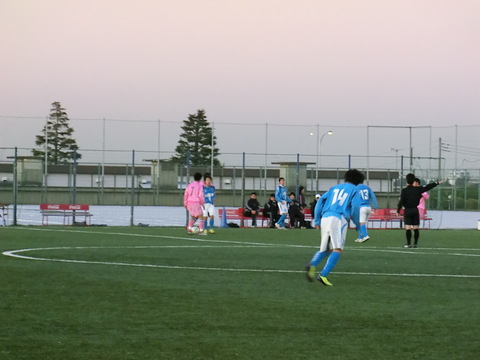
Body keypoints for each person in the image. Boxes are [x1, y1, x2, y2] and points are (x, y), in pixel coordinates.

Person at [305, 169, 363, 286]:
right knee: (338, 249)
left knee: (326, 249)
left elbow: (320, 200)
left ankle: (312, 264)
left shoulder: (334, 188)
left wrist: (317, 219)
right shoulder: (355, 190)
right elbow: (356, 208)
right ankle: (323, 275)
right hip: (338, 219)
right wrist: (358, 224)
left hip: (325, 217)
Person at [397, 173, 444, 248]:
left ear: (407, 181)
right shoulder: (418, 189)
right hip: (415, 210)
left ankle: (408, 244)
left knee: (408, 227)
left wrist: (398, 211)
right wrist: (437, 183)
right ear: (413, 180)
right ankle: (415, 244)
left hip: (407, 210)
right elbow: (428, 187)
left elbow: (401, 201)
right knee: (416, 227)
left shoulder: (404, 190)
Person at [352, 173, 378, 243]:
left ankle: (366, 235)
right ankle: (360, 237)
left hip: (362, 207)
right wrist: (375, 206)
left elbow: (353, 198)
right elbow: (373, 196)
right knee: (362, 223)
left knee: (361, 223)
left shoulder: (356, 188)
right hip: (368, 207)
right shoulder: (367, 187)